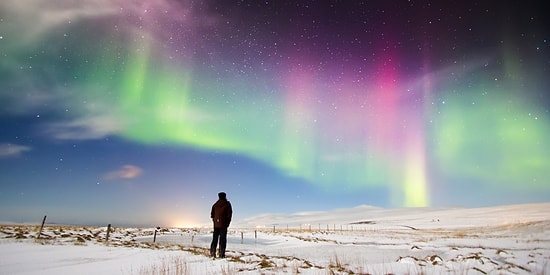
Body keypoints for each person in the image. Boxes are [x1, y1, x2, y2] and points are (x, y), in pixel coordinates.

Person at [210, 192, 232, 258]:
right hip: (223, 224)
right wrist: (228, 223)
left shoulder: (215, 204)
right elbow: (229, 214)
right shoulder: (227, 204)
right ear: (225, 196)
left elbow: (211, 215)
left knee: (215, 239)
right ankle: (221, 254)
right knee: (222, 240)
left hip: (216, 225)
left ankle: (212, 252)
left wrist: (215, 221)